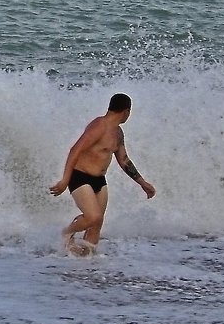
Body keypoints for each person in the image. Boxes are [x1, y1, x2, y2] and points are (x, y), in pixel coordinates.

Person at [49, 93, 156, 255]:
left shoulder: (118, 133)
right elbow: (75, 150)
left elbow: (124, 160)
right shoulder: (99, 126)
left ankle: (87, 259)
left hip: (100, 180)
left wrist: (142, 183)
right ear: (126, 111)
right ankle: (67, 233)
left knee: (97, 223)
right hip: (80, 177)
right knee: (93, 217)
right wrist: (65, 180)